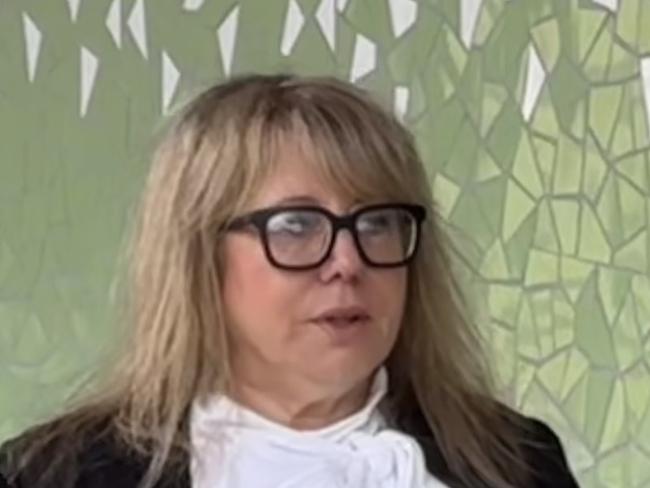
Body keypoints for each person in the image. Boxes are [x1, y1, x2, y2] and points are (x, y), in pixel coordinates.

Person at [0, 74, 579, 488]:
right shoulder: (52, 474)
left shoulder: (518, 462)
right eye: (296, 224)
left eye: (378, 222)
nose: (348, 261)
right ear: (199, 256)